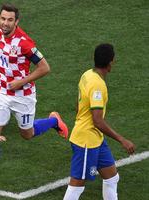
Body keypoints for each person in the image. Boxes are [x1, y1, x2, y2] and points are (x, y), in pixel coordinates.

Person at [0, 3, 69, 193]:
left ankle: (53, 121)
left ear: (16, 22)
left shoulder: (25, 43)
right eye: (2, 19)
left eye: (9, 20)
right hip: (0, 91)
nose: (5, 23)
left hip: (22, 95)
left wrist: (21, 82)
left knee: (27, 134)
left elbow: (44, 68)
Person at [63, 43, 135, 200]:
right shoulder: (98, 86)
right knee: (77, 185)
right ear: (110, 63)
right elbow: (97, 121)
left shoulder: (87, 74)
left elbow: (78, 104)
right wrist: (122, 140)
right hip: (86, 142)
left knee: (112, 177)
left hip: (96, 139)